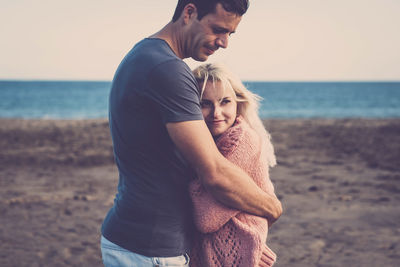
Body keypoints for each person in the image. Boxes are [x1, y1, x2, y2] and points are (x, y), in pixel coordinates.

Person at [100, 1, 282, 266]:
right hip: (151, 250)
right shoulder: (168, 70)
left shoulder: (143, 55)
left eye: (230, 34)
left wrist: (248, 238)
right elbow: (215, 174)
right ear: (189, 12)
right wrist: (272, 208)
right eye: (218, 29)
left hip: (135, 238)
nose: (223, 43)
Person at [188, 63, 278, 267]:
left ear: (238, 102)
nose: (216, 113)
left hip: (235, 256)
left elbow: (206, 217)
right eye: (205, 103)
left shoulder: (241, 141)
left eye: (225, 102)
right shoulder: (207, 141)